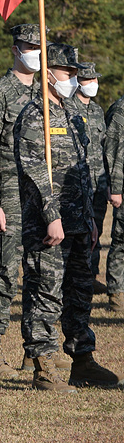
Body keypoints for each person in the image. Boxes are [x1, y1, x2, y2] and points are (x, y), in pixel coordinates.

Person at [15, 43, 119, 391]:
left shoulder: (75, 117)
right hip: (50, 224)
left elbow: (85, 172)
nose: (74, 79)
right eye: (67, 73)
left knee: (79, 292)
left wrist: (90, 218)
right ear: (48, 74)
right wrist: (51, 216)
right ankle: (44, 366)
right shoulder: (34, 116)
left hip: (78, 221)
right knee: (45, 291)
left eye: (76, 73)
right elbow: (34, 172)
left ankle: (83, 360)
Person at [0, 24, 42, 380]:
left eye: (39, 46)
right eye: (30, 46)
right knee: (3, 272)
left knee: (39, 274)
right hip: (8, 196)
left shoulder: (46, 93)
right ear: (16, 49)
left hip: (39, 198)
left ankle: (36, 351)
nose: (35, 52)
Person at [74, 62, 108, 293]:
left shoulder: (97, 111)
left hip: (98, 182)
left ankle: (92, 275)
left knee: (98, 231)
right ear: (77, 81)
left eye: (95, 79)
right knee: (79, 231)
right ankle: (77, 276)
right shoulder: (68, 108)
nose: (93, 84)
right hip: (77, 183)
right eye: (88, 80)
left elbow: (104, 147)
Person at [103, 88, 124, 313]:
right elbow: (114, 153)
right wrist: (115, 187)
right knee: (121, 239)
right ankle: (117, 292)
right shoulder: (120, 110)